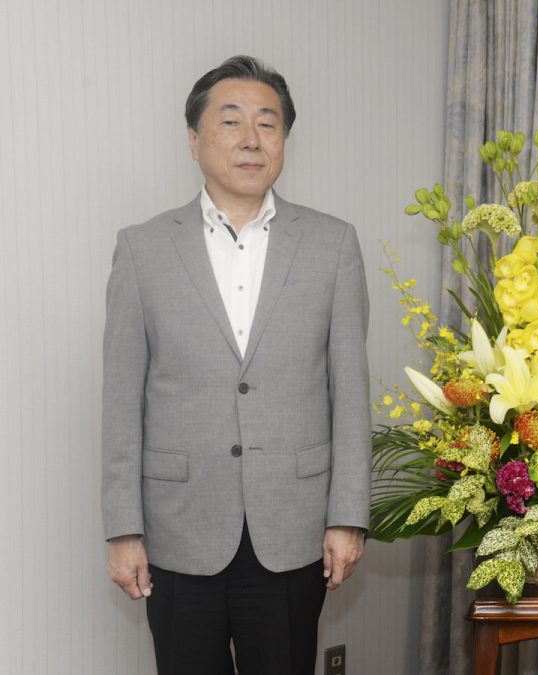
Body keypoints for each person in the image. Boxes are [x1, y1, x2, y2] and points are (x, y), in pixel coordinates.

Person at [101, 55, 372, 675]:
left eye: (268, 124)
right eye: (231, 122)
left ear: (283, 141)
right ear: (194, 140)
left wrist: (347, 516)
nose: (251, 139)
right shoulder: (142, 249)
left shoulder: (332, 245)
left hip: (293, 528)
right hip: (177, 530)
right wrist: (123, 530)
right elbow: (122, 400)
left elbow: (350, 392)